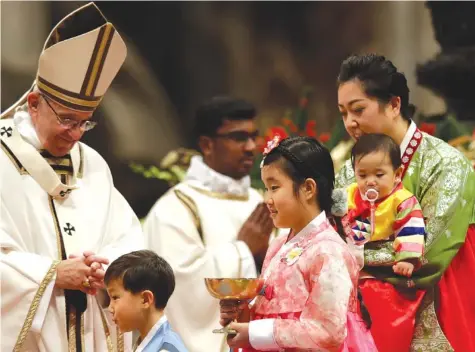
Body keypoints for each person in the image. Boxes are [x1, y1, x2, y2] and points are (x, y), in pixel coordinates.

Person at [1, 3, 143, 351]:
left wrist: (106, 269)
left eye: (85, 122)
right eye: (67, 119)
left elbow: (127, 237)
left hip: (88, 328)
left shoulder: (92, 164)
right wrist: (50, 275)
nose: (77, 133)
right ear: (34, 103)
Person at [336, 53, 475, 351]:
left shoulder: (446, 164)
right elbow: (331, 234)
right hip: (358, 317)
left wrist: (352, 258)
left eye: (358, 110)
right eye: (343, 113)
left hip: (433, 315)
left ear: (394, 104)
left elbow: (429, 252)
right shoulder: (349, 171)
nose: (350, 123)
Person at [143, 96, 277, 352]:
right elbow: (175, 289)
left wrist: (265, 259)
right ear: (206, 144)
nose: (251, 147)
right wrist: (243, 251)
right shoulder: (176, 207)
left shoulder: (263, 201)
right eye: (238, 137)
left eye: (253, 137)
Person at [219, 136, 376, 351]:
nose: (267, 199)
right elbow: (269, 312)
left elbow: (328, 332)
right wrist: (242, 315)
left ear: (308, 188)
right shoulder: (277, 246)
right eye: (266, 188)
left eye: (274, 187)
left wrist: (254, 332)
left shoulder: (328, 250)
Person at [343, 133, 426, 351]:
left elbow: (412, 228)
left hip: (384, 275)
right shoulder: (353, 195)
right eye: (362, 175)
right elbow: (344, 221)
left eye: (379, 174)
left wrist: (407, 257)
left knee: (387, 314)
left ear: (397, 174)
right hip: (355, 267)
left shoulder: (402, 200)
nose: (370, 181)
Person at [105, 250, 188, 352]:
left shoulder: (165, 349)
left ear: (145, 299)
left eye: (115, 297)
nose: (110, 308)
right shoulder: (149, 341)